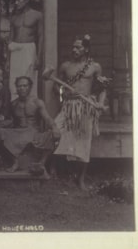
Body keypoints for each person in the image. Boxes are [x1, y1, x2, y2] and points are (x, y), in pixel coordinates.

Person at [53, 35, 108, 190]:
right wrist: (64, 94)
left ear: (86, 49)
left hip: (85, 107)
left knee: (84, 142)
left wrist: (100, 103)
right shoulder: (65, 66)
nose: (74, 50)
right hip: (69, 106)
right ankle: (61, 172)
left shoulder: (95, 67)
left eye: (78, 47)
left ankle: (81, 179)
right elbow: (56, 87)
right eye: (73, 47)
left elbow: (103, 89)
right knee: (57, 130)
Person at [0, 76, 59, 177]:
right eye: (19, 86)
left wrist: (54, 127)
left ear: (30, 87)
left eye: (25, 86)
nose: (22, 88)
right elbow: (9, 121)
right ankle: (16, 162)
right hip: (19, 133)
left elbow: (47, 118)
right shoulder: (13, 104)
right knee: (0, 133)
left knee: (54, 134)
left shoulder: (37, 102)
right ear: (16, 88)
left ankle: (41, 163)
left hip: (34, 133)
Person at [8, 0, 43, 100]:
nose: (16, 2)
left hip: (29, 49)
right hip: (15, 50)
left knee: (29, 78)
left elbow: (41, 36)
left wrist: (38, 56)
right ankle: (15, 105)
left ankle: (30, 106)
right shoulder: (14, 18)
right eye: (15, 0)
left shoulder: (37, 15)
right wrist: (8, 60)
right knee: (14, 79)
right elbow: (10, 39)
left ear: (26, 0)